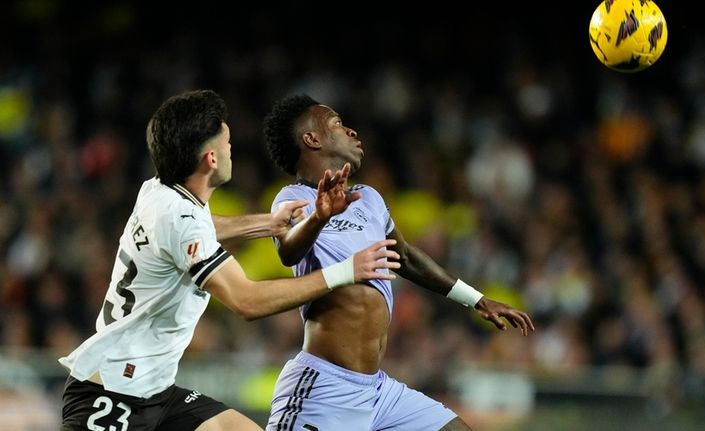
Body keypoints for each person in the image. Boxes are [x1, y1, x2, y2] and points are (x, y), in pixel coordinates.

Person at [58, 89, 401, 431]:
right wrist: (345, 271)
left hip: (155, 393)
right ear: (210, 159)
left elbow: (203, 227)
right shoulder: (180, 219)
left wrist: (269, 222)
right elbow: (246, 301)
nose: (231, 150)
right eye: (227, 142)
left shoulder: (158, 191)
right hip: (108, 396)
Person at [262, 94, 536, 431]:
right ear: (312, 139)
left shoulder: (369, 199)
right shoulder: (293, 198)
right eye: (336, 123)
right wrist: (318, 217)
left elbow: (404, 257)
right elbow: (287, 249)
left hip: (377, 391)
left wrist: (475, 298)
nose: (350, 130)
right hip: (323, 386)